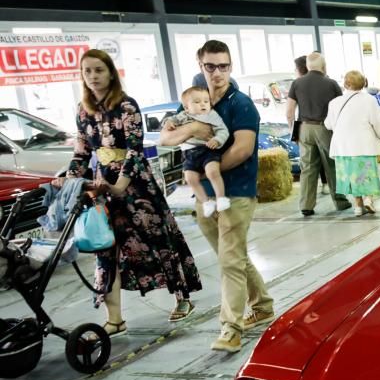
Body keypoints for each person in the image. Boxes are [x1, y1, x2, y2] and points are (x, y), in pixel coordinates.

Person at [62, 49, 201, 335]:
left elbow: (135, 151)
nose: (93, 77)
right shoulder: (82, 109)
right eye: (87, 71)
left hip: (135, 183)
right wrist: (69, 181)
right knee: (106, 246)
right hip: (103, 185)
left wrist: (121, 185)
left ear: (111, 72)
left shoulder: (126, 105)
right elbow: (81, 153)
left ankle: (182, 297)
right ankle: (115, 318)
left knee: (157, 238)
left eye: (98, 70)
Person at [160, 39, 274, 352]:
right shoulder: (194, 102)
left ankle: (230, 328)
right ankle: (262, 305)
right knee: (233, 257)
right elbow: (165, 137)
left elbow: (243, 149)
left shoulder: (241, 104)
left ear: (231, 67)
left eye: (223, 66)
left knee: (229, 261)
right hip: (204, 197)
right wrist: (192, 130)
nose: (217, 73)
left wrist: (210, 168)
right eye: (211, 66)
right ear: (201, 67)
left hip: (235, 192)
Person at [325, 70, 380, 217]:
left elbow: (328, 124)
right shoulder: (369, 100)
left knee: (351, 175)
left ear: (346, 84)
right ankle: (368, 199)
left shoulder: (334, 103)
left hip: (343, 146)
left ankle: (358, 206)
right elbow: (377, 123)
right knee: (364, 173)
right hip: (363, 144)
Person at [286, 52, 343, 216]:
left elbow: (289, 111)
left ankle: (306, 205)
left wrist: (294, 130)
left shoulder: (297, 83)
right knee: (331, 165)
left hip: (304, 128)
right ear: (323, 66)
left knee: (307, 168)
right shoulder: (331, 84)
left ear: (307, 66)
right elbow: (339, 109)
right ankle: (340, 201)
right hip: (324, 127)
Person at [163, 86, 230, 217]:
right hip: (189, 154)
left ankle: (221, 198)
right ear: (186, 107)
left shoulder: (212, 115)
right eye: (197, 102)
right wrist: (168, 123)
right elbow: (171, 120)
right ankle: (206, 202)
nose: (203, 104)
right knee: (190, 178)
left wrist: (217, 140)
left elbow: (223, 130)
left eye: (206, 101)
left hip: (208, 149)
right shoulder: (183, 116)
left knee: (212, 172)